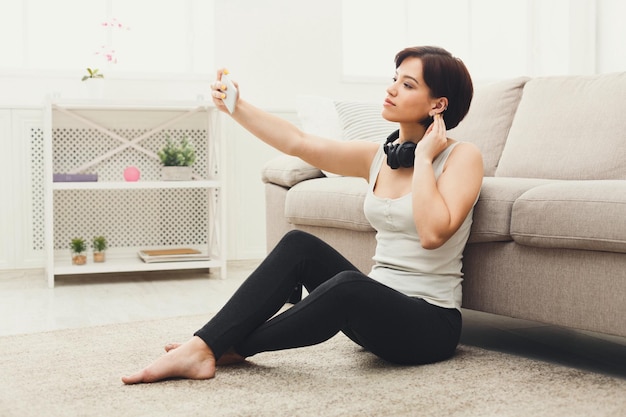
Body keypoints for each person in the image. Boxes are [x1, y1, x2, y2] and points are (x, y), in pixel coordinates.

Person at [122, 46, 483, 384]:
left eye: (407, 85)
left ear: (438, 104)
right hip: (374, 319)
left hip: (428, 327)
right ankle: (209, 344)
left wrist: (422, 158)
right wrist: (237, 106)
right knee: (299, 245)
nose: (391, 89)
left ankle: (216, 347)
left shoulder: (462, 157)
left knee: (348, 286)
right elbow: (299, 142)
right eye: (394, 79)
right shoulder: (379, 156)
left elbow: (432, 234)